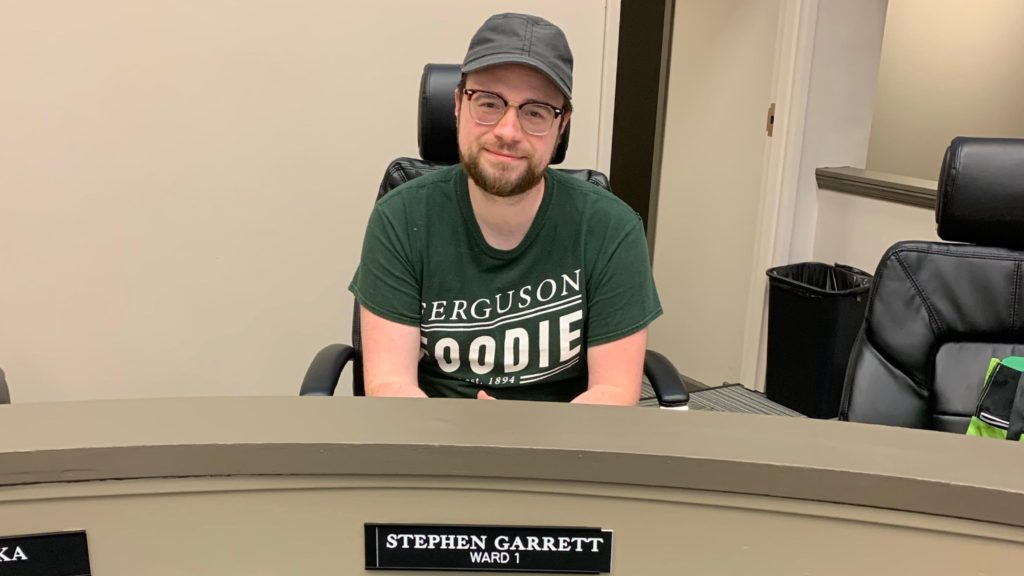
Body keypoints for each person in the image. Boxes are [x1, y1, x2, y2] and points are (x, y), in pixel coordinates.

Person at [349, 13, 661, 404]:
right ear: (458, 105)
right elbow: (390, 386)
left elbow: (614, 392)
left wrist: (523, 437)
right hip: (433, 441)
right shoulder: (401, 218)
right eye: (489, 103)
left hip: (564, 449)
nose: (508, 131)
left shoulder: (612, 228)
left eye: (535, 112)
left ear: (560, 127)